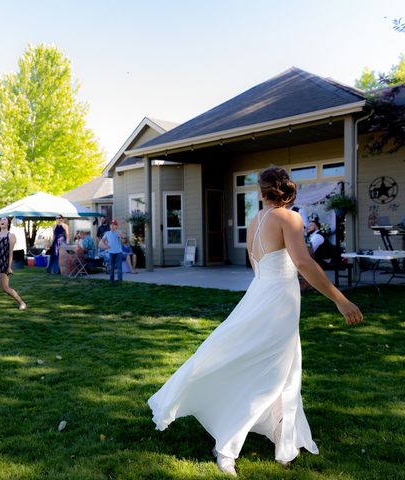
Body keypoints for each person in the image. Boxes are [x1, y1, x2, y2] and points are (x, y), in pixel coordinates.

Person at [147, 167, 363, 476]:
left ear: (261, 193)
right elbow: (302, 261)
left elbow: (257, 264)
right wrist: (341, 300)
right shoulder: (290, 218)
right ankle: (227, 447)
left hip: (259, 296)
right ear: (288, 192)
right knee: (274, 372)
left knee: (280, 368)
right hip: (279, 302)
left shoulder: (254, 222)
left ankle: (281, 435)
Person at [0, 217, 27, 310]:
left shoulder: (11, 236)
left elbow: (10, 253)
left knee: (6, 288)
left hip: (3, 263)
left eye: (5, 220)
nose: (2, 221)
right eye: (1, 220)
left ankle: (22, 303)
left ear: (8, 224)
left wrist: (9, 267)